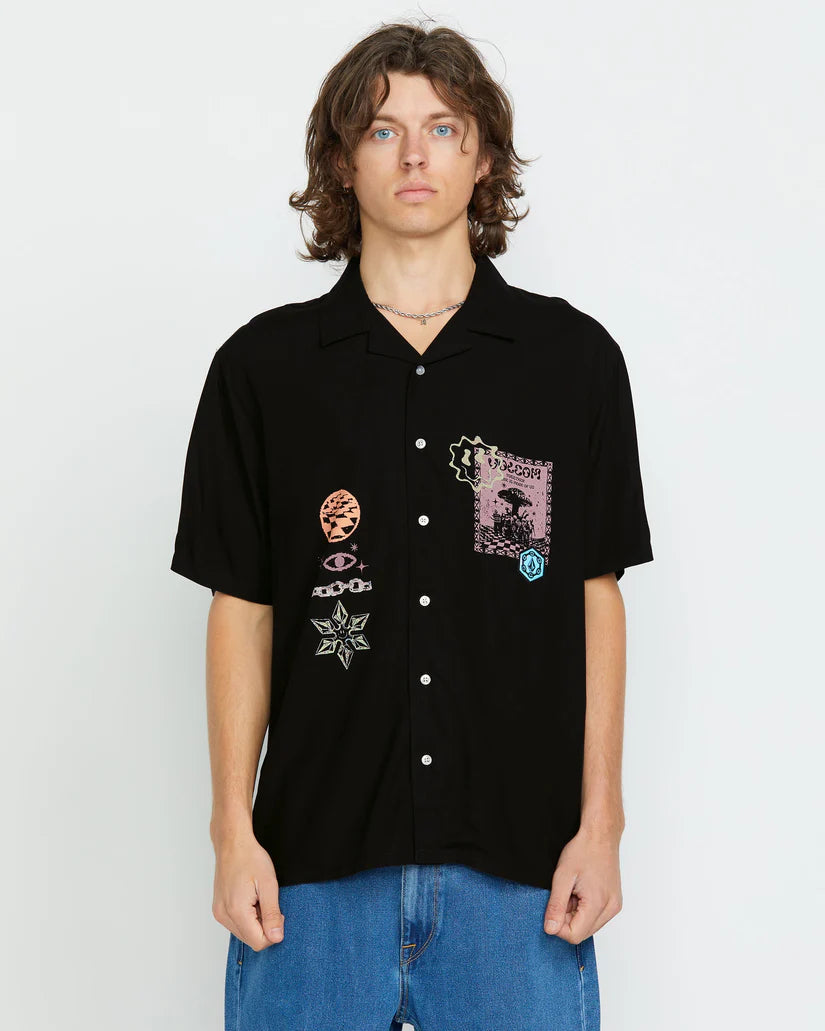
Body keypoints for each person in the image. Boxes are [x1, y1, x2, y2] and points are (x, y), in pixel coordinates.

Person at [170, 19, 654, 1031]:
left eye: (443, 128)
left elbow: (592, 595)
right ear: (342, 163)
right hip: (310, 872)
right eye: (383, 131)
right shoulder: (264, 372)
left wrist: (601, 820)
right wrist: (231, 831)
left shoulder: (569, 364)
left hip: (520, 872)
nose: (415, 154)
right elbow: (242, 609)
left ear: (484, 159)